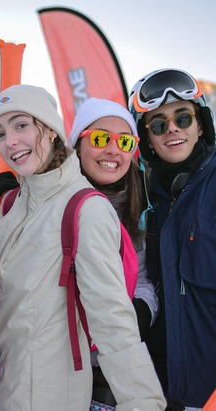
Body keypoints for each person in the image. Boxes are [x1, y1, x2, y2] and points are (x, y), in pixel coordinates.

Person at [0, 84, 165, 411]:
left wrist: (143, 402)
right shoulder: (14, 204)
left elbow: (112, 322)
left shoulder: (86, 209)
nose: (10, 141)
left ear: (52, 130)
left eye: (21, 125)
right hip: (1, 392)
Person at [128, 68, 216, 410]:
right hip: (162, 390)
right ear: (148, 139)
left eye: (182, 117)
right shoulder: (146, 200)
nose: (173, 129)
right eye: (159, 125)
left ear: (200, 125)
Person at [68, 97, 159, 408]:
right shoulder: (52, 202)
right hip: (56, 362)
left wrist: (142, 310)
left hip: (110, 366)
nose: (113, 150)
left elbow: (142, 278)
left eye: (125, 141)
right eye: (100, 138)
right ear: (77, 145)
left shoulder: (138, 206)